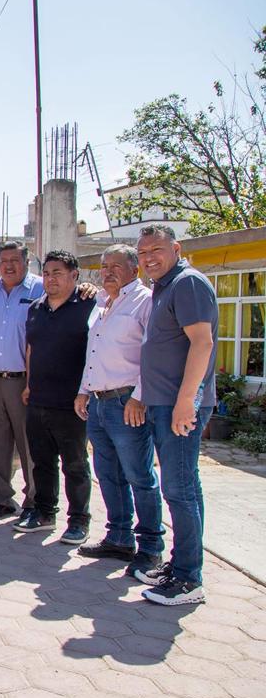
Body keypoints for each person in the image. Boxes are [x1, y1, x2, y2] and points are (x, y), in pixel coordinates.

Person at [134, 224, 218, 606]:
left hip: (179, 406)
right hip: (164, 403)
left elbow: (202, 343)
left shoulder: (188, 283)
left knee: (179, 491)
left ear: (176, 248)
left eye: (157, 249)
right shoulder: (163, 288)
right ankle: (183, 565)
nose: (149, 257)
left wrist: (188, 401)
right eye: (142, 252)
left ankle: (188, 580)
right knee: (185, 489)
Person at [73, 245, 162, 576]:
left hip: (128, 403)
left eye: (116, 266)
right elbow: (93, 353)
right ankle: (119, 538)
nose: (107, 272)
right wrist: (84, 392)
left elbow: (154, 354)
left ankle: (151, 547)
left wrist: (140, 397)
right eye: (103, 266)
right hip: (98, 402)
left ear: (134, 269)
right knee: (108, 474)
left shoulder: (145, 301)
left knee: (139, 475)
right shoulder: (100, 304)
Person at [16, 250, 97, 544]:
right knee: (42, 462)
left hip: (73, 402)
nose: (51, 279)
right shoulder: (36, 308)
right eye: (47, 273)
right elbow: (31, 349)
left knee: (75, 464)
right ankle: (44, 512)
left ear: (74, 276)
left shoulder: (88, 305)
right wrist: (28, 384)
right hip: (38, 399)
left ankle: (78, 521)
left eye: (58, 273)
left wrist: (86, 392)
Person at [0, 241, 41, 519]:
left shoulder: (39, 288)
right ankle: (1, 499)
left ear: (26, 262)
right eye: (4, 261)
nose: (9, 265)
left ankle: (36, 503)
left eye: (15, 260)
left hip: (26, 382)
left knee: (30, 446)